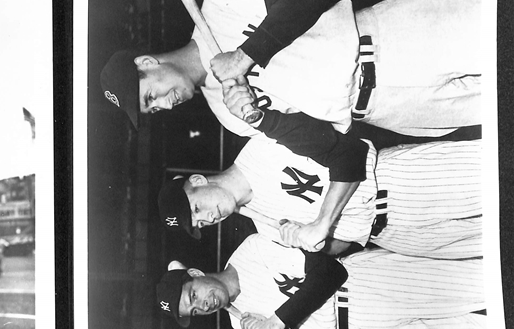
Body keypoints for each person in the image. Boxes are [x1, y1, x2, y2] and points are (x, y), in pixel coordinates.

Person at [100, 0, 482, 139]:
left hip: (391, 42)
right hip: (385, 110)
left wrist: (246, 55)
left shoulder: (219, 7)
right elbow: (320, 138)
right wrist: (263, 120)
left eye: (151, 95)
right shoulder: (226, 114)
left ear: (148, 62)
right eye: (155, 110)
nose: (165, 104)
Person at [156, 99, 482, 259]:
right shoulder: (265, 228)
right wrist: (315, 245)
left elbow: (350, 153)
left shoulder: (264, 147)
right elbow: (345, 244)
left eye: (196, 209)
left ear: (198, 181)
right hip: (394, 237)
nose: (208, 218)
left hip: (401, 183)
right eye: (200, 224)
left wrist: (322, 222)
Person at [155, 234, 493, 329]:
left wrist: (277, 320)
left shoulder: (251, 249)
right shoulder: (238, 323)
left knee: (485, 284)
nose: (204, 305)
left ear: (197, 274)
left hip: (366, 285)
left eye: (194, 295)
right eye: (195, 311)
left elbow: (331, 270)